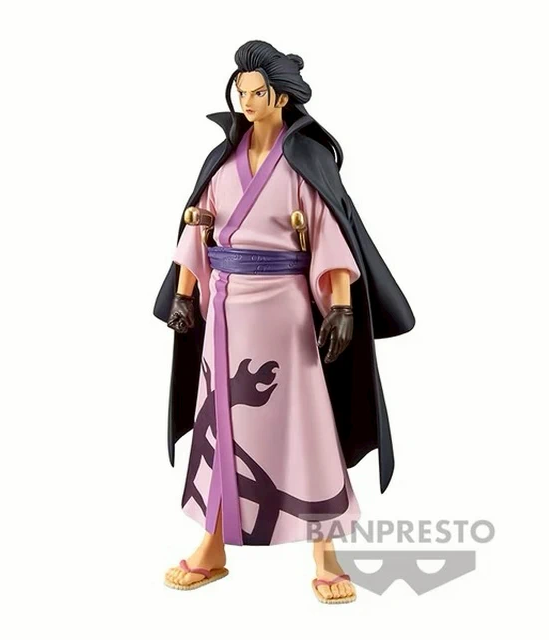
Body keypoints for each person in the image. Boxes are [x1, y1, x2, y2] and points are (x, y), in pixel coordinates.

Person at [153, 40, 415, 603]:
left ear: (280, 97)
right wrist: (184, 293)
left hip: (286, 312)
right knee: (221, 424)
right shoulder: (223, 159)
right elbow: (199, 227)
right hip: (224, 311)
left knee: (306, 425)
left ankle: (326, 552)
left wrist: (341, 306)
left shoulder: (304, 160)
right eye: (241, 92)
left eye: (257, 92)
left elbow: (329, 232)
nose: (247, 102)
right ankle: (213, 545)